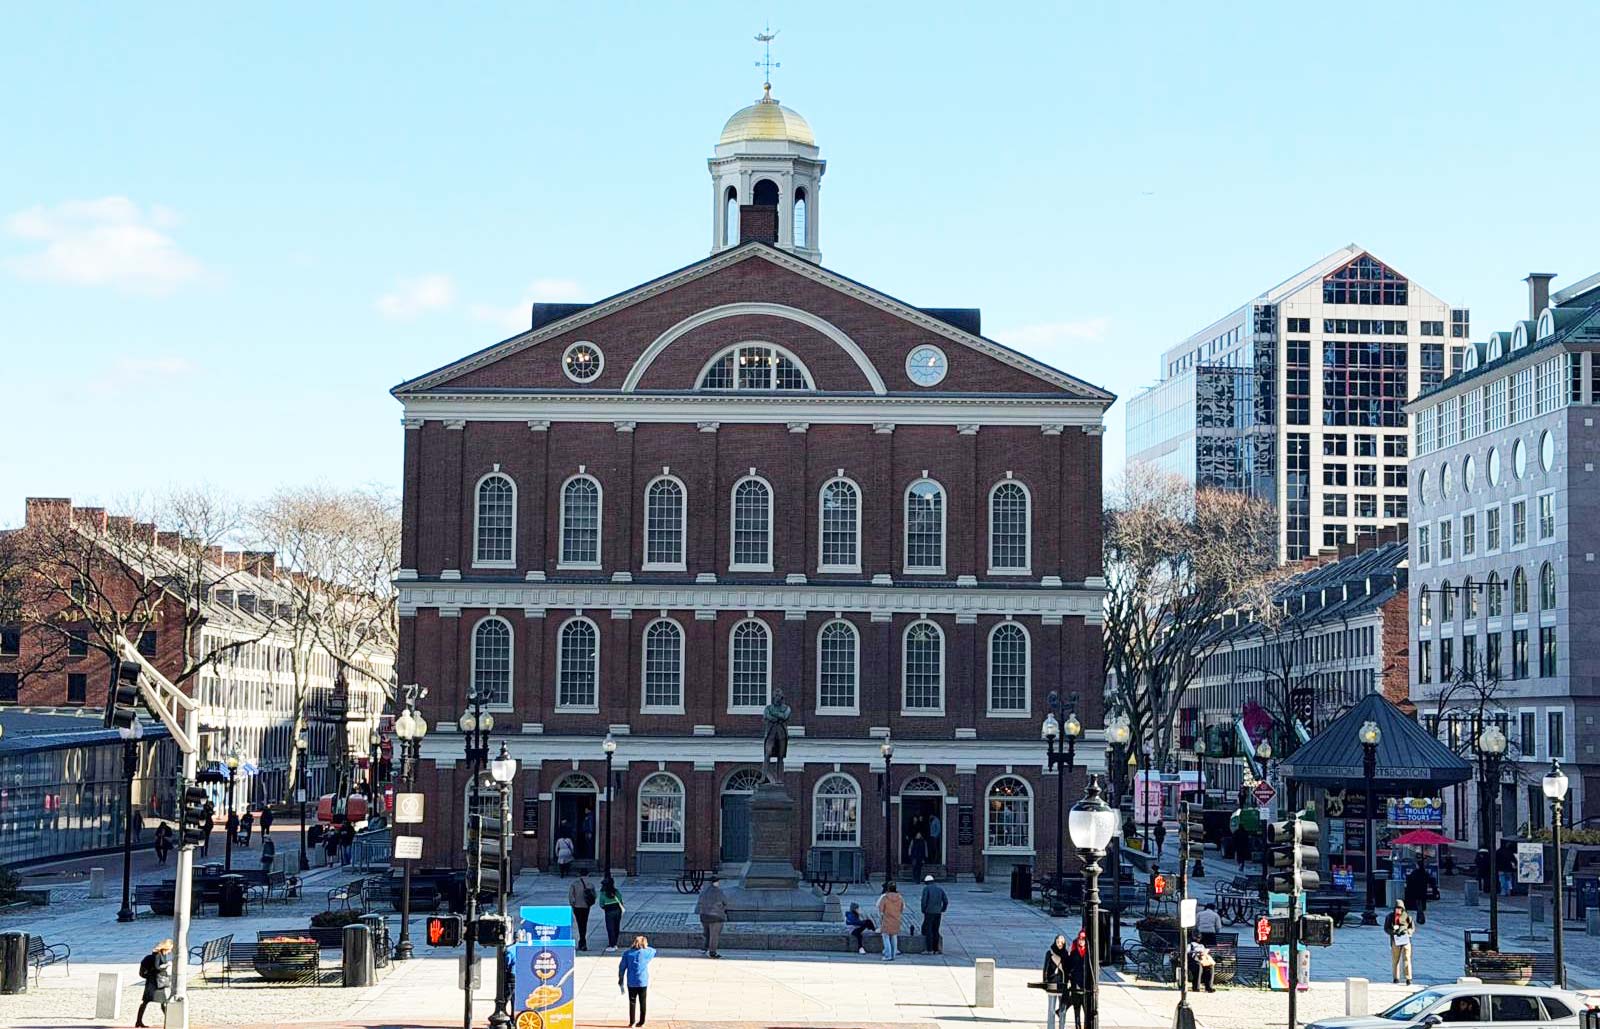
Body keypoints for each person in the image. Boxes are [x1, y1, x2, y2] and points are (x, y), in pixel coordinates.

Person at [617, 934, 656, 1028]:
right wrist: (644, 946)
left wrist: (620, 978)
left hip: (631, 981)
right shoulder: (646, 953)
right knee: (643, 1002)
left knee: (632, 1001)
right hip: (642, 981)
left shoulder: (627, 953)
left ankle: (632, 1022)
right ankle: (642, 1021)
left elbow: (622, 967)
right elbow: (654, 950)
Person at [135, 938, 173, 1027]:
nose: (170, 951)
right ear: (166, 948)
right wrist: (166, 965)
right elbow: (157, 968)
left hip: (157, 981)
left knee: (159, 1002)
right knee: (151, 1001)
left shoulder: (162, 955)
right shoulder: (158, 955)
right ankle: (170, 1021)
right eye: (170, 949)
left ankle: (139, 1021)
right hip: (154, 982)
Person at [1384, 899, 1416, 985]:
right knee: (1395, 959)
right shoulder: (1390, 917)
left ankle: (1408, 978)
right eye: (1397, 908)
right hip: (1396, 940)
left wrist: (1408, 932)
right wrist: (1394, 932)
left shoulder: (1408, 917)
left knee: (1407, 958)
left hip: (1406, 941)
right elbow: (1386, 928)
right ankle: (1396, 977)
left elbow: (1412, 928)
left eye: (1400, 908)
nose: (1398, 910)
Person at [695, 875, 728, 958]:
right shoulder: (719, 891)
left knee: (706, 933)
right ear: (716, 882)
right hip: (716, 916)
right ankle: (712, 952)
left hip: (704, 915)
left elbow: (699, 902)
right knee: (714, 935)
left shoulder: (703, 891)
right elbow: (725, 902)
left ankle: (704, 948)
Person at [875, 882, 904, 961]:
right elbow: (902, 908)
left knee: (885, 937)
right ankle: (893, 955)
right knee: (894, 937)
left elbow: (880, 909)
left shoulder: (885, 897)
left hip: (887, 919)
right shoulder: (900, 897)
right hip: (896, 920)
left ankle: (888, 955)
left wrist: (881, 917)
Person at [919, 874, 948, 955]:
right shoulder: (940, 889)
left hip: (929, 912)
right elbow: (945, 901)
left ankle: (929, 949)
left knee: (928, 930)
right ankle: (936, 949)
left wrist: (923, 909)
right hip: (938, 913)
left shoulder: (926, 889)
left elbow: (924, 901)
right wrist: (943, 909)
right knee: (936, 930)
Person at [569, 872, 594, 951]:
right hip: (586, 906)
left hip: (577, 907)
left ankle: (582, 941)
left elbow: (571, 897)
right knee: (584, 923)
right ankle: (582, 941)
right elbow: (594, 895)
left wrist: (573, 904)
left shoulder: (574, 884)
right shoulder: (590, 884)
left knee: (580, 924)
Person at [599, 876, 625, 952]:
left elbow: (601, 904)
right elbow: (620, 899)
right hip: (618, 911)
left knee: (610, 928)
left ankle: (612, 944)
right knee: (616, 927)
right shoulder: (616, 891)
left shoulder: (603, 893)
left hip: (609, 912)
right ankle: (615, 943)